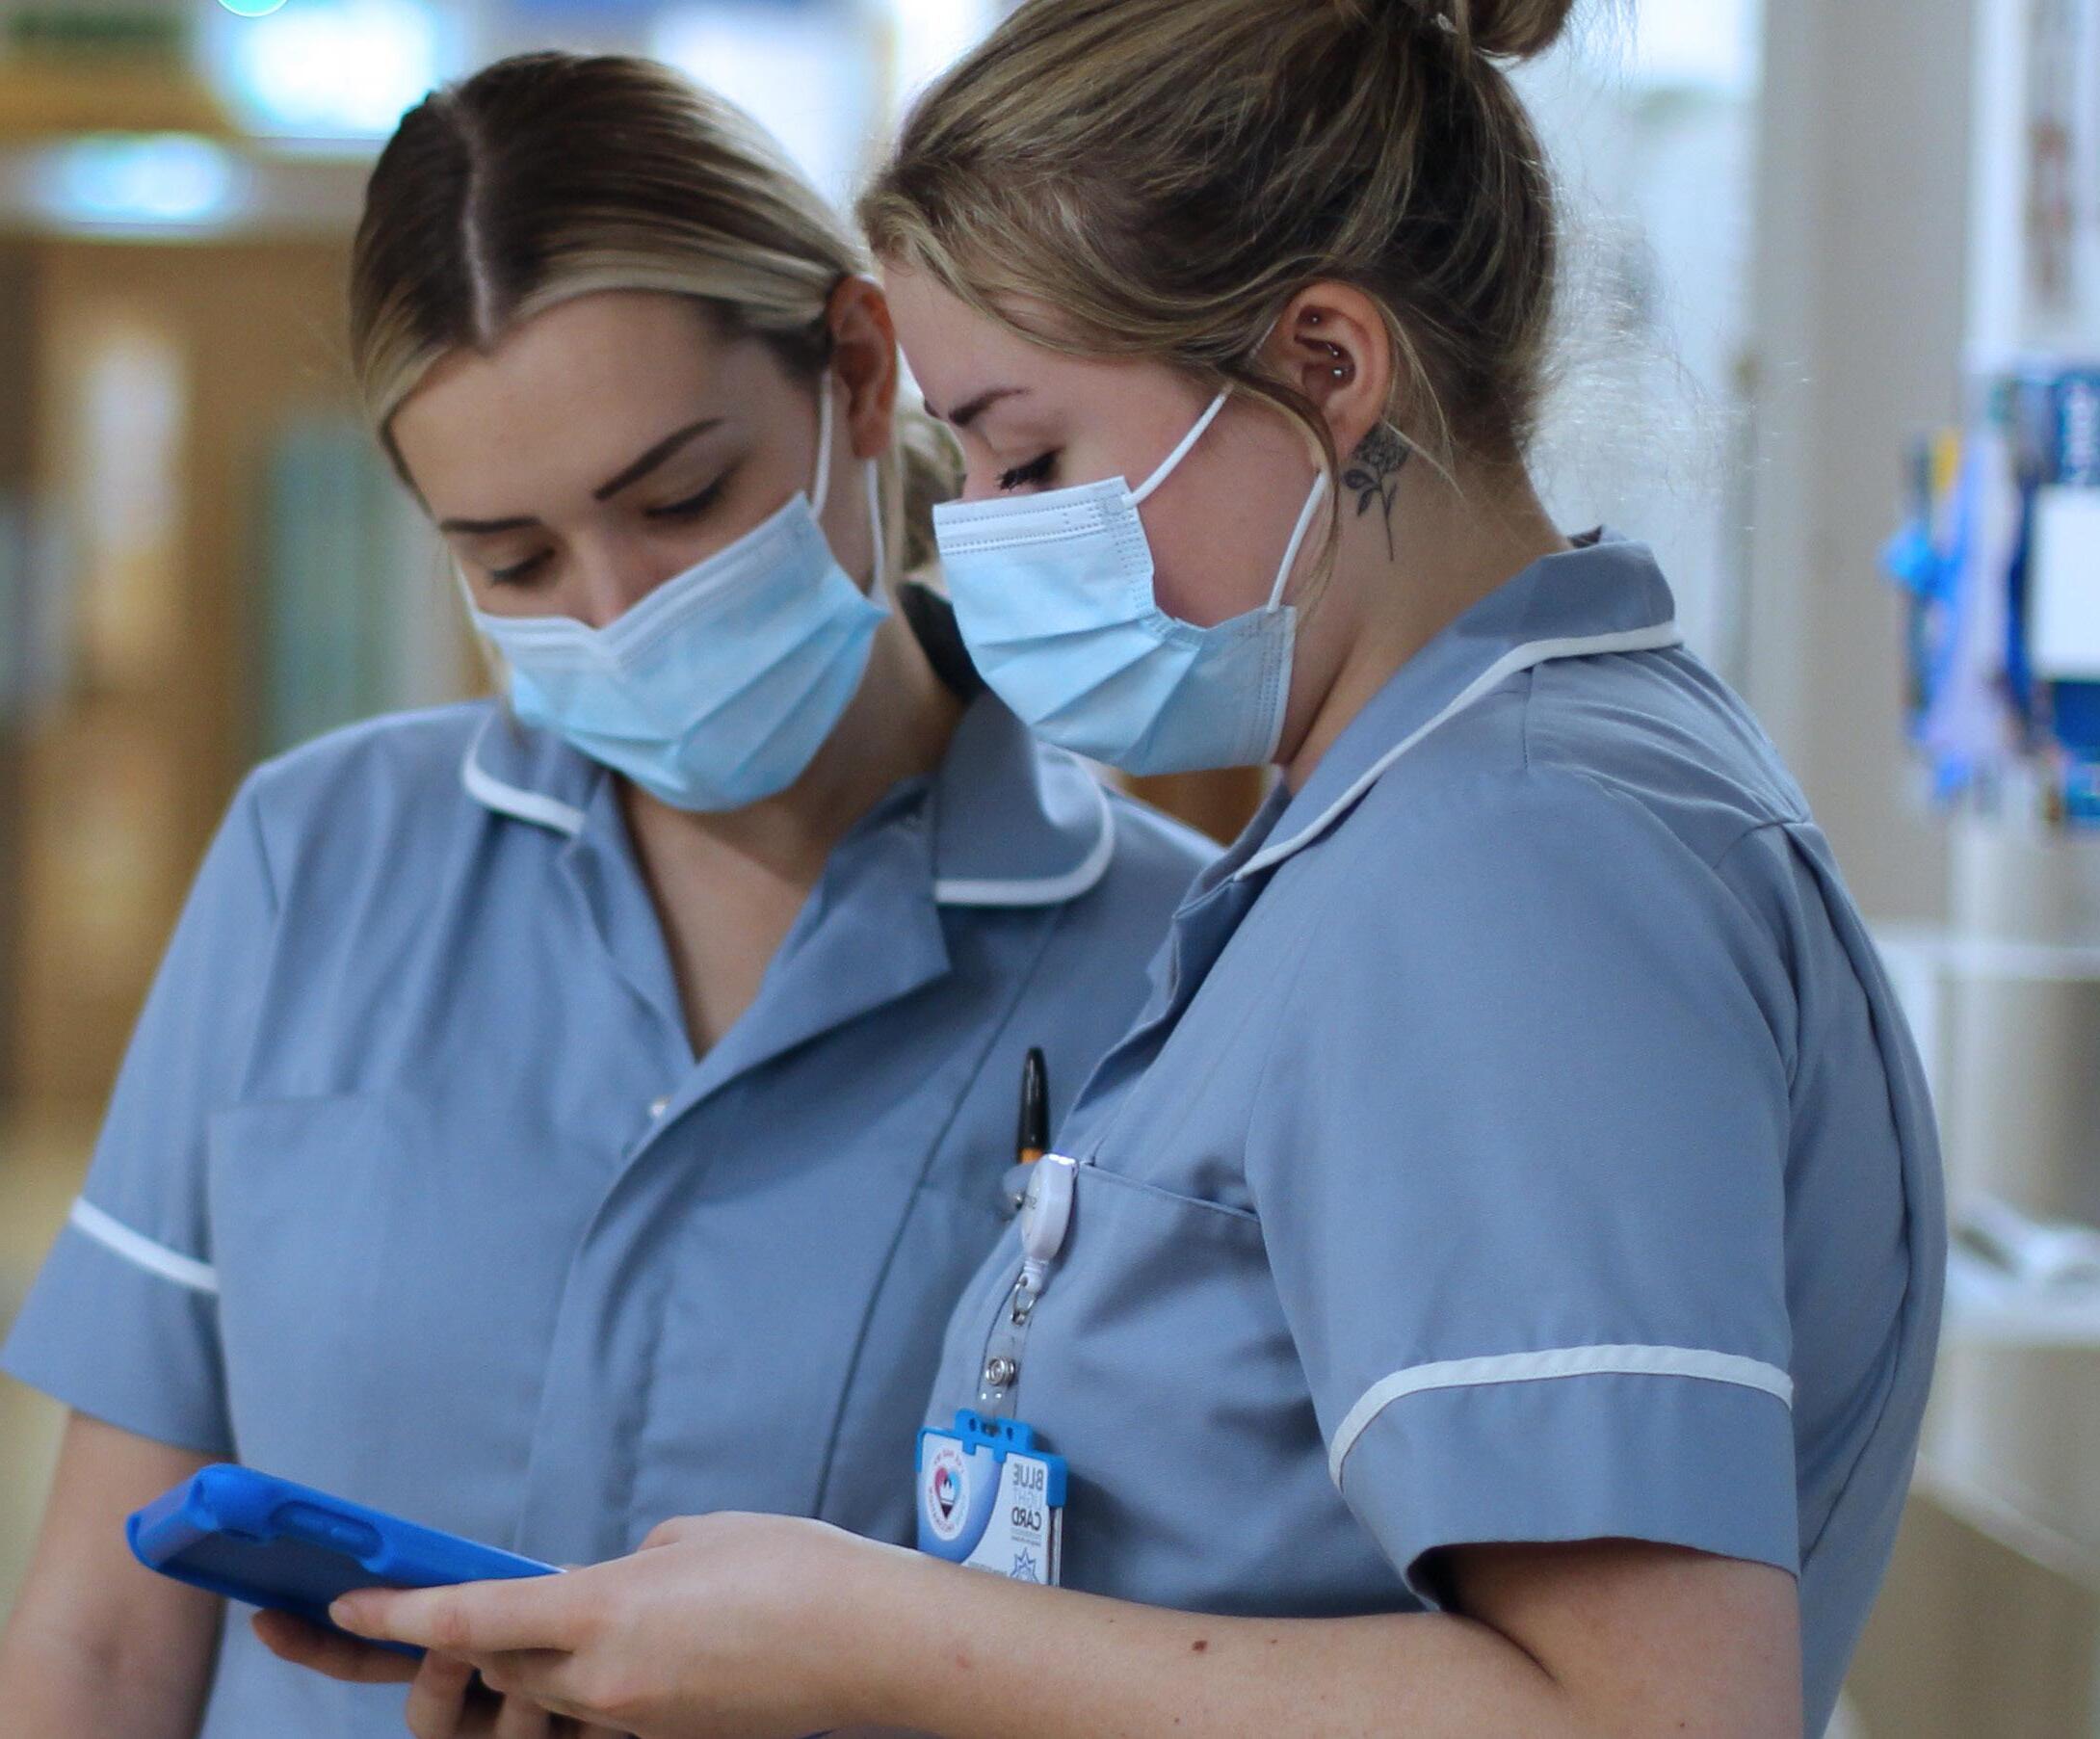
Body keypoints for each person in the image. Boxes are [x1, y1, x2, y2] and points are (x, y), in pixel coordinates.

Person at [318, 3, 1948, 1737]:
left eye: (1031, 459)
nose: (978, 536)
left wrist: (865, 1631)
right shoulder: (1395, 830)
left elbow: (1653, 1718)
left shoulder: (1514, 863)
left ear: (1328, 366)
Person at [0, 50, 1215, 1739]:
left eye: (680, 499)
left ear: (861, 375)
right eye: (513, 559)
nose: (617, 608)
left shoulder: (1175, 965)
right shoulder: (316, 860)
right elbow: (95, 1639)